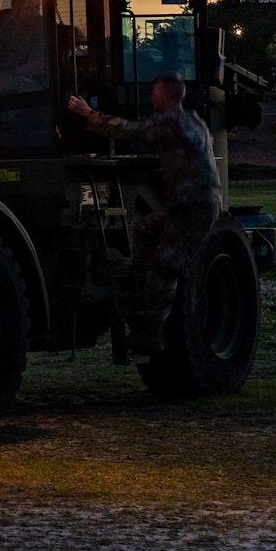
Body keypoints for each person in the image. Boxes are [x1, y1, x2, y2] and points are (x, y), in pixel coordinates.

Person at [66, 75, 222, 353]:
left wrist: (89, 113)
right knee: (145, 229)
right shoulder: (193, 119)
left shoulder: (170, 122)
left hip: (191, 207)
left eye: (154, 93)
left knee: (165, 269)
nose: (150, 97)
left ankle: (152, 333)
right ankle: (141, 285)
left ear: (165, 96)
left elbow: (129, 130)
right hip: (192, 203)